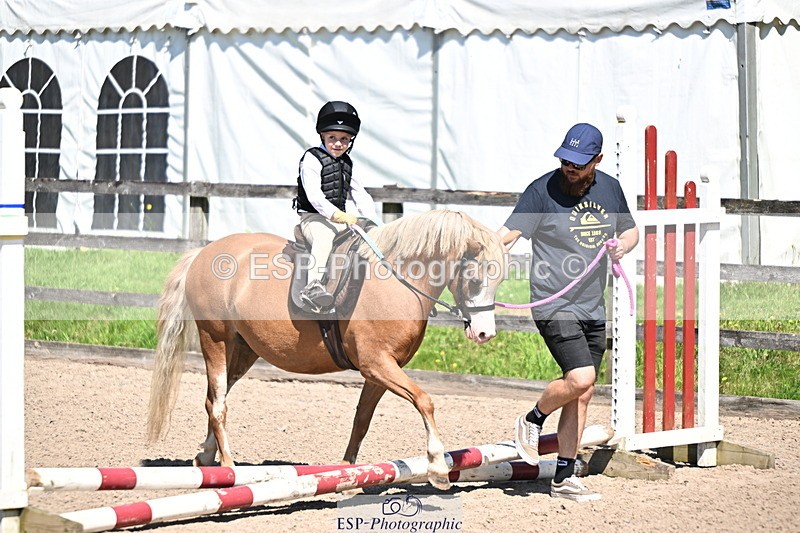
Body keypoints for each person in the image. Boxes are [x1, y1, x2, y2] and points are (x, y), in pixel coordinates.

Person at [497, 123, 639, 502]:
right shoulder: (541, 190)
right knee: (580, 378)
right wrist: (488, 255)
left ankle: (563, 477)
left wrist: (622, 245)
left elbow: (630, 230)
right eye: (565, 160)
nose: (569, 168)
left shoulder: (609, 188)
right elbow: (508, 235)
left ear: (597, 160)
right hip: (553, 302)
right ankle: (532, 418)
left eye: (578, 162)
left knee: (583, 393)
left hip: (592, 303)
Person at [294, 101, 379, 311]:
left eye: (344, 139)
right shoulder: (311, 159)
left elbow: (361, 194)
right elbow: (315, 197)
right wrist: (339, 215)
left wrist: (374, 223)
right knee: (324, 238)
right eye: (332, 138)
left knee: (368, 240)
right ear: (322, 135)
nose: (338, 143)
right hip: (314, 219)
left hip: (340, 219)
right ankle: (312, 287)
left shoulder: (348, 164)